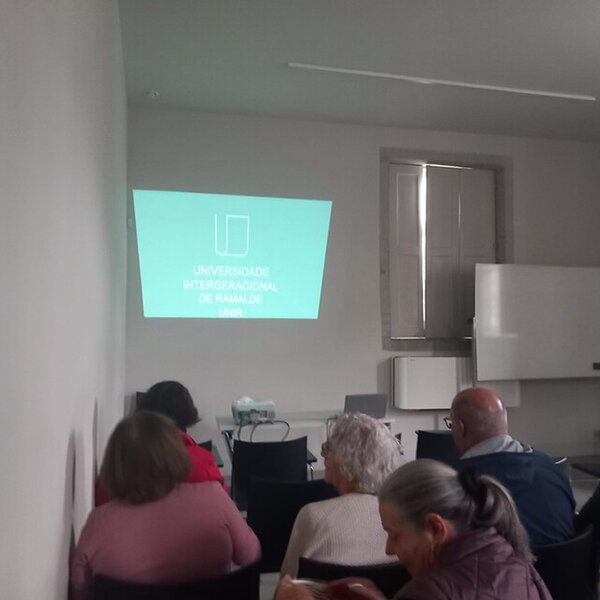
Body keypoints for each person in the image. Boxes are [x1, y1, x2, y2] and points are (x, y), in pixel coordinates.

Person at [277, 459, 551, 600]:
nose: (389, 549)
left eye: (394, 534)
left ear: (435, 528)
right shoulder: (519, 566)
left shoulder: (430, 592)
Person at [71, 411, 260, 600]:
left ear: (114, 464)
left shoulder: (98, 523)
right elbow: (250, 555)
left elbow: (80, 592)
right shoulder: (214, 497)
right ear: (176, 452)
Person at [280, 412, 404, 578]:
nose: (323, 454)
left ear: (346, 461)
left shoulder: (313, 515)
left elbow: (287, 581)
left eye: (329, 448)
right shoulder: (402, 515)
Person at [447, 386, 575, 545]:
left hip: (500, 561)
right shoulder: (550, 466)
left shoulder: (456, 483)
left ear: (460, 427)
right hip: (568, 560)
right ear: (504, 422)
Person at [95, 380, 226, 505]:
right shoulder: (202, 464)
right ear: (188, 414)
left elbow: (103, 503)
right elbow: (224, 507)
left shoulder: (118, 466)